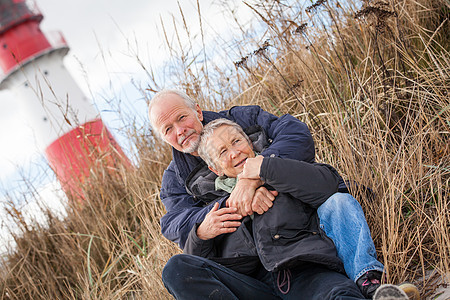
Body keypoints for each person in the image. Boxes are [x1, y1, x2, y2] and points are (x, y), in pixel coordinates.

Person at [148, 89, 383, 298]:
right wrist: (233, 205)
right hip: (247, 273)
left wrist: (256, 177)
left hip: (297, 254)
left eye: (182, 117)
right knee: (177, 268)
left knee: (337, 286)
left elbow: (296, 136)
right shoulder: (174, 180)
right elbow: (178, 226)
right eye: (168, 129)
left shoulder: (243, 118)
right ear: (214, 169)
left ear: (197, 111)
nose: (180, 131)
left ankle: (370, 285)